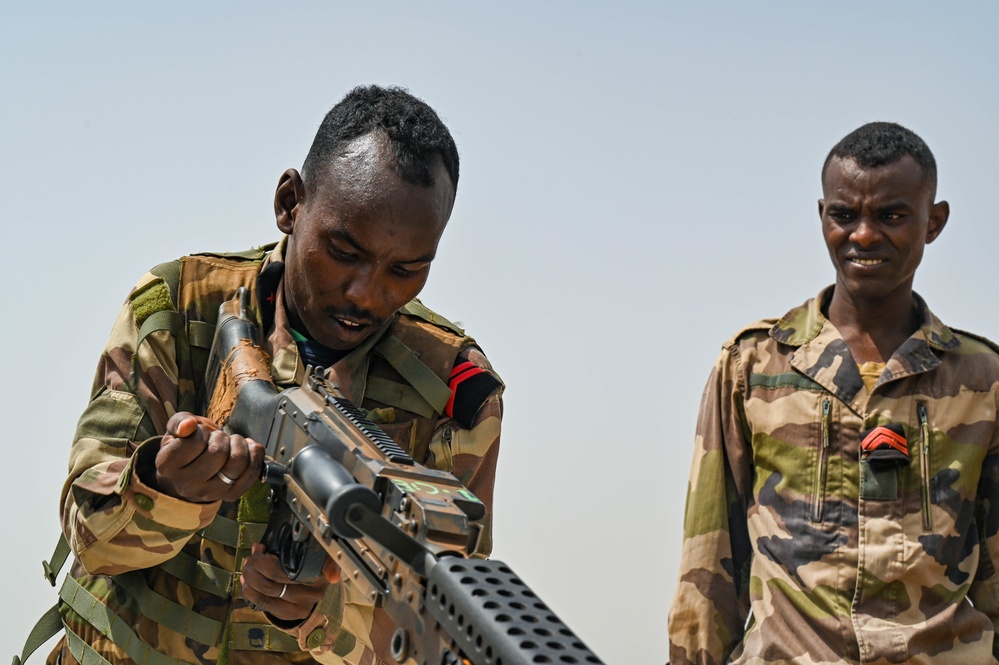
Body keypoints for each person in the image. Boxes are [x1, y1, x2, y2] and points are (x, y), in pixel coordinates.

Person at [44, 85, 504, 665]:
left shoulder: (454, 392)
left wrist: (319, 615)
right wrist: (167, 491)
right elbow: (90, 539)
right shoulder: (176, 309)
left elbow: (445, 634)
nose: (366, 293)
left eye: (406, 269)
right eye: (343, 250)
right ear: (290, 202)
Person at [667, 122, 999, 664]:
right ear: (823, 216)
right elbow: (708, 564)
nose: (864, 235)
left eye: (891, 216)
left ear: (933, 222)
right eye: (844, 215)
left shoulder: (983, 379)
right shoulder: (754, 365)